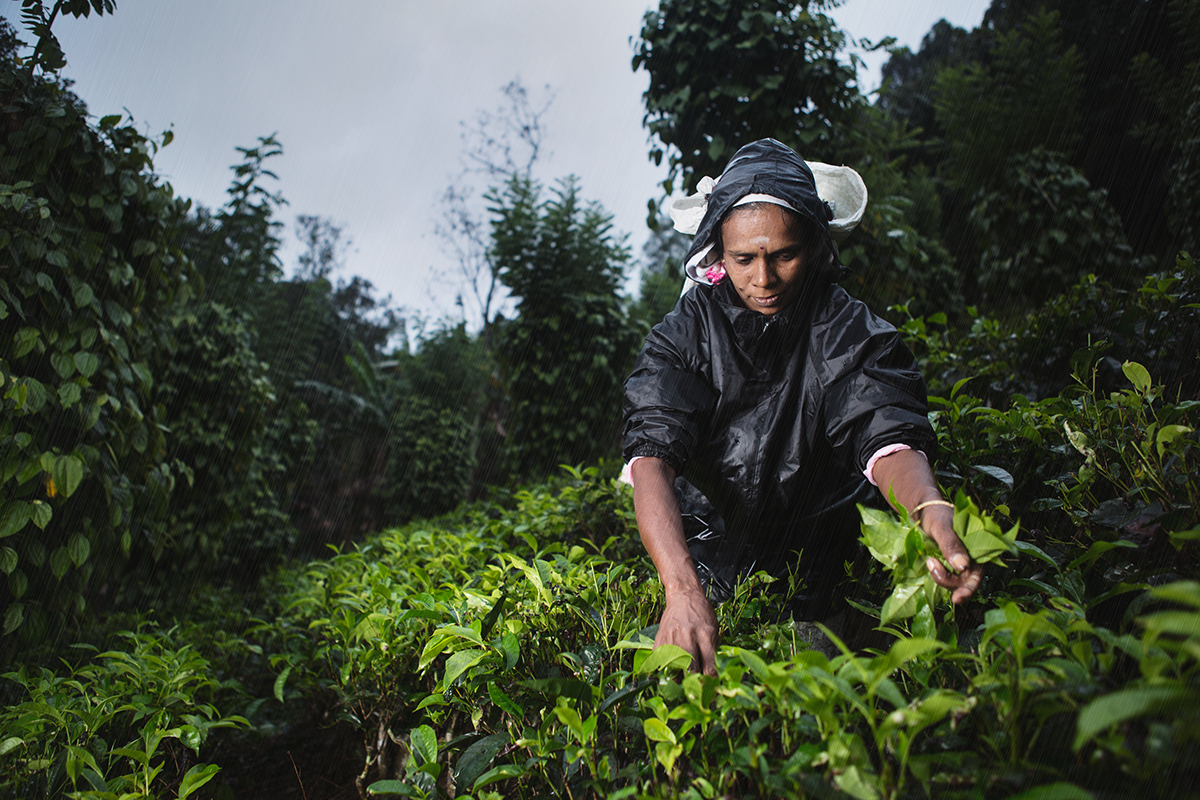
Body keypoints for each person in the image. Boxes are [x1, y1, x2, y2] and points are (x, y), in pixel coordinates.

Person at [622, 139, 981, 674]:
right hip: (712, 572)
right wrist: (681, 590)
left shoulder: (844, 329)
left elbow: (883, 428)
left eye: (783, 255)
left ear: (813, 246)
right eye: (743, 258)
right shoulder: (685, 336)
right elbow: (652, 456)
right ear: (718, 254)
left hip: (824, 574)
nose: (763, 280)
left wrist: (927, 507)